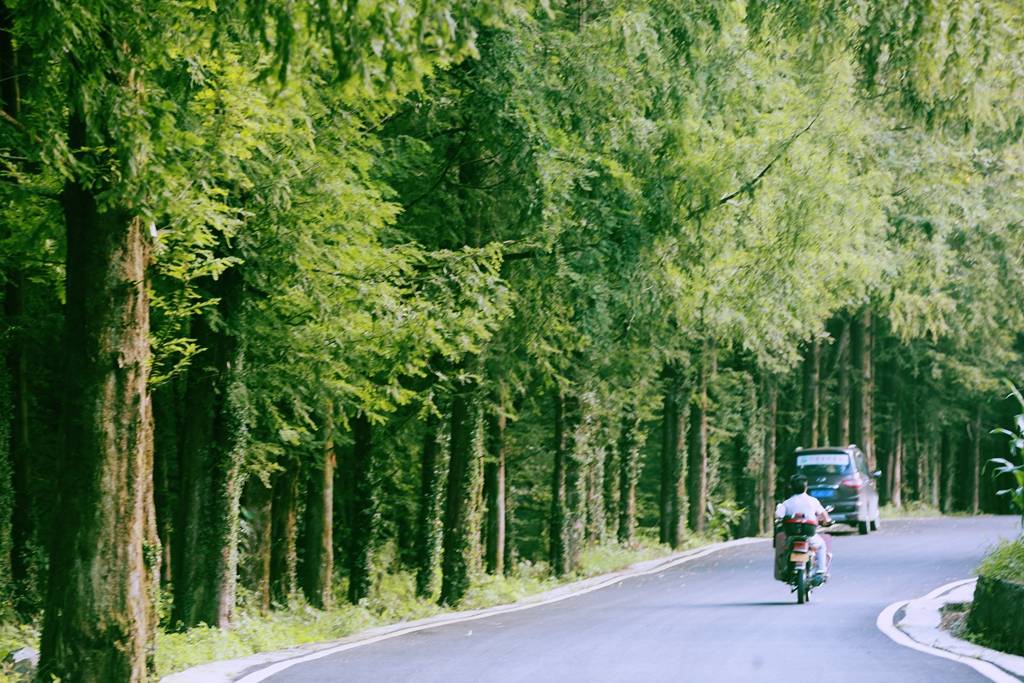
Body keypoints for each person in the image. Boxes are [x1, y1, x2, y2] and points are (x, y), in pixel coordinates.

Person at [775, 473, 832, 582]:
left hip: (791, 536)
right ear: (806, 487)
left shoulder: (787, 503)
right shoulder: (813, 501)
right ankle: (821, 571)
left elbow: (778, 516)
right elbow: (824, 515)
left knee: (785, 550)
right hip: (809, 536)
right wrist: (828, 521)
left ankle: (786, 568)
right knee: (821, 545)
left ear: (791, 488)